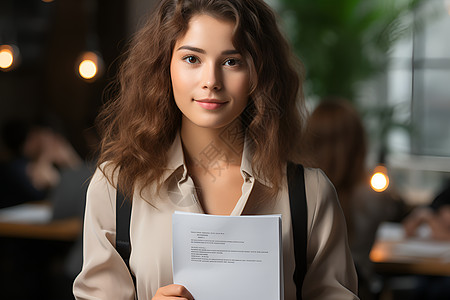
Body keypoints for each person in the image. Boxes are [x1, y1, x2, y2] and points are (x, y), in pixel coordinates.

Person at [73, 0, 359, 299]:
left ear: (259, 73)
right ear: (164, 65)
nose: (211, 81)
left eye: (232, 61)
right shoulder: (117, 185)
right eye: (192, 59)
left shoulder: (310, 193)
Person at [300, 98, 405, 299]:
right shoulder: (374, 197)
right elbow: (397, 210)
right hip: (359, 291)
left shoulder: (299, 195)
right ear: (358, 144)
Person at [0, 118, 82, 208]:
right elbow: (42, 185)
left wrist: (69, 158)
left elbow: (82, 182)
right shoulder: (16, 168)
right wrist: (46, 153)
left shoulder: (50, 163)